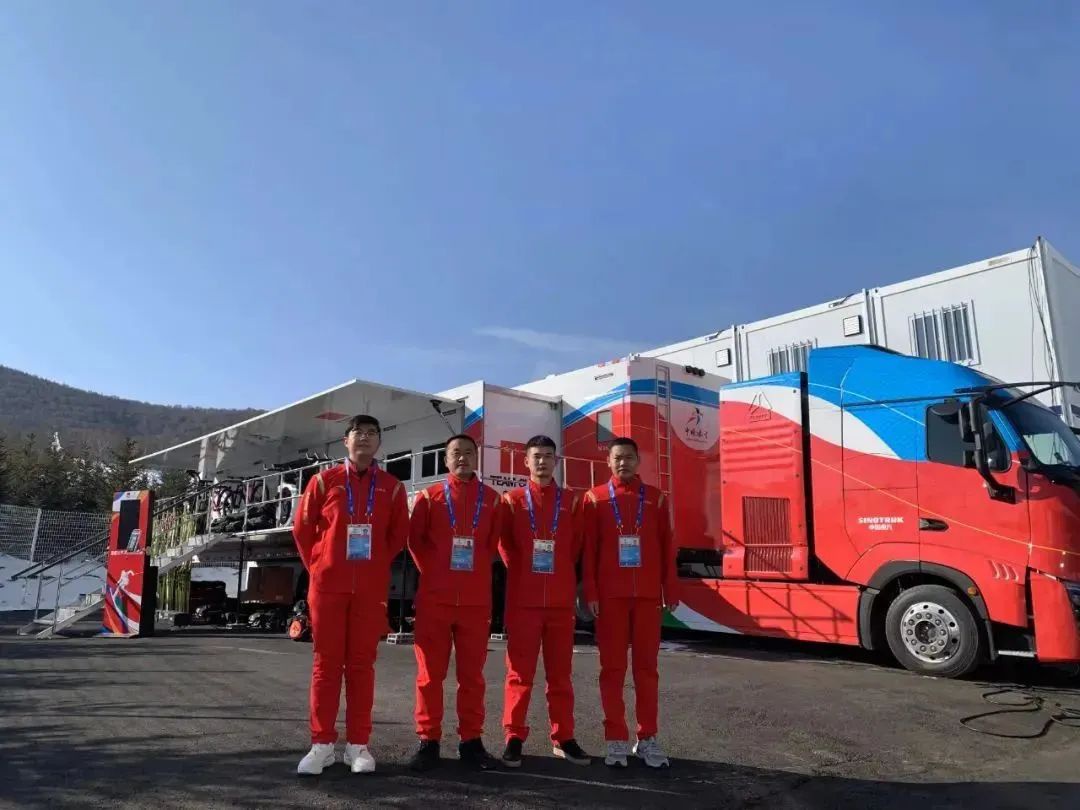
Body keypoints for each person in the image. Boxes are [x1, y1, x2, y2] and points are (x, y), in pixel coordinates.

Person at [291, 414, 410, 776]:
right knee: (326, 666)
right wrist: (321, 566)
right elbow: (302, 530)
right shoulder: (323, 481)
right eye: (358, 432)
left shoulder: (391, 487)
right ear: (346, 441)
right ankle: (322, 745)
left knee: (361, 667)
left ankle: (358, 745)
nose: (365, 438)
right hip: (327, 586)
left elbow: (397, 535)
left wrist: (373, 566)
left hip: (369, 590)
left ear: (379, 443)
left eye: (372, 433)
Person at [407, 434, 506, 771]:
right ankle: (428, 741)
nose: (462, 458)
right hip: (435, 600)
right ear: (446, 460)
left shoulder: (492, 500)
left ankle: (471, 741)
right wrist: (436, 574)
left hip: (475, 602)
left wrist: (471, 575)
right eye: (455, 453)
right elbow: (415, 542)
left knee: (472, 677)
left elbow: (491, 545)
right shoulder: (429, 497)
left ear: (476, 458)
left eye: (468, 453)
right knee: (429, 676)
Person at [581, 436, 680, 769]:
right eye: (617, 458)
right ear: (608, 462)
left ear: (639, 461)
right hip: (611, 598)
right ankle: (615, 739)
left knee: (646, 670)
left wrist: (670, 588)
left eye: (629, 457)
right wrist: (591, 593)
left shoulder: (655, 498)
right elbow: (589, 551)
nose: (623, 463)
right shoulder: (594, 498)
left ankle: (647, 738)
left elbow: (667, 546)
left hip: (647, 596)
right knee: (612, 670)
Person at [498, 435, 591, 768]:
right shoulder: (512, 501)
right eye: (536, 456)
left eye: (548, 456)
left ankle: (563, 737)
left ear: (556, 461)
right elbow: (505, 545)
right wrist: (526, 572)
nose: (542, 461)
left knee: (560, 675)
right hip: (524, 601)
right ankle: (513, 736)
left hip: (560, 602)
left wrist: (558, 572)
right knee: (519, 674)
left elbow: (576, 545)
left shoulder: (572, 502)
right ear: (526, 461)